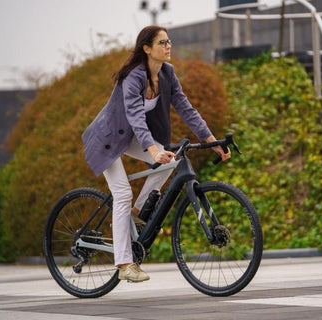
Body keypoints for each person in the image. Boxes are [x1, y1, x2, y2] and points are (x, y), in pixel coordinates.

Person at [82, 25, 230, 282]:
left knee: (171, 161)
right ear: (147, 48)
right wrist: (152, 149)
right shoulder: (133, 77)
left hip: (129, 137)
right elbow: (135, 115)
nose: (168, 46)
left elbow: (186, 109)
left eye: (168, 41)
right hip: (107, 139)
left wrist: (211, 140)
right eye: (162, 42)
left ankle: (137, 215)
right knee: (122, 193)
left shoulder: (167, 74)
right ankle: (125, 264)